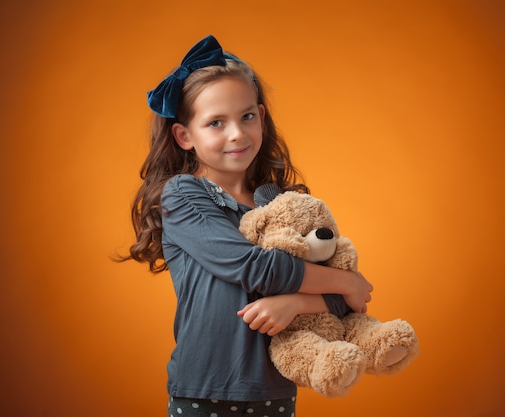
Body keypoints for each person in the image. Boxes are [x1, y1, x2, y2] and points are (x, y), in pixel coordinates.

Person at [122, 35, 373, 417]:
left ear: (261, 115)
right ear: (184, 136)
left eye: (246, 117)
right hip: (205, 391)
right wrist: (347, 282)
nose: (237, 133)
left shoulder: (280, 202)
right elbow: (255, 268)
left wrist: (298, 302)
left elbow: (343, 306)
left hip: (275, 389)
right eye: (216, 123)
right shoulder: (184, 196)